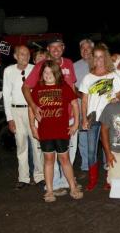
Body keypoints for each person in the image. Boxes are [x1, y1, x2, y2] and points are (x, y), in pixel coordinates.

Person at [22, 38, 78, 196]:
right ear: (48, 49)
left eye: (58, 46)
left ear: (63, 47)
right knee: (49, 159)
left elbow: (72, 89)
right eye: (52, 47)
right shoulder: (41, 67)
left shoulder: (68, 63)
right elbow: (26, 88)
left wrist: (75, 118)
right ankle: (52, 186)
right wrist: (33, 111)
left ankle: (69, 184)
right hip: (47, 124)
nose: (55, 50)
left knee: (67, 156)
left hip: (66, 120)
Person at [28, 60, 83, 202]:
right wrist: (33, 127)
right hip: (45, 132)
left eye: (51, 72)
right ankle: (50, 191)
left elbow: (75, 104)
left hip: (61, 131)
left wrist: (76, 123)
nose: (48, 75)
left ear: (56, 73)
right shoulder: (38, 89)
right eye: (45, 72)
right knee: (48, 160)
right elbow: (31, 108)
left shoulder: (63, 87)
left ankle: (73, 187)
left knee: (65, 159)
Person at [80, 43, 120, 191]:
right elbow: (84, 101)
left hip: (109, 118)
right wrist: (84, 119)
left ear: (106, 58)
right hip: (93, 119)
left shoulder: (113, 76)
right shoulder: (87, 78)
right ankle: (92, 180)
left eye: (101, 57)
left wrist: (117, 99)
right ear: (92, 59)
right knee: (91, 151)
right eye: (96, 57)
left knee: (108, 150)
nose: (99, 60)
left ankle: (109, 179)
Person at [3, 45, 44, 189]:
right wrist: (10, 118)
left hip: (32, 110)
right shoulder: (8, 71)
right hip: (16, 111)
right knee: (21, 145)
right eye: (21, 54)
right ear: (15, 56)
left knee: (37, 144)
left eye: (27, 54)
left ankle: (40, 176)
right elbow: (6, 96)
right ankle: (23, 177)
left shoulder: (35, 68)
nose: (25, 56)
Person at [74, 38, 94, 180]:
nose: (85, 51)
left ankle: (106, 164)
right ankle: (86, 166)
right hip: (81, 104)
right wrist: (83, 96)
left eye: (88, 48)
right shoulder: (74, 66)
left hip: (99, 105)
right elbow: (72, 86)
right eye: (82, 48)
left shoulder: (100, 63)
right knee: (83, 136)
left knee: (102, 135)